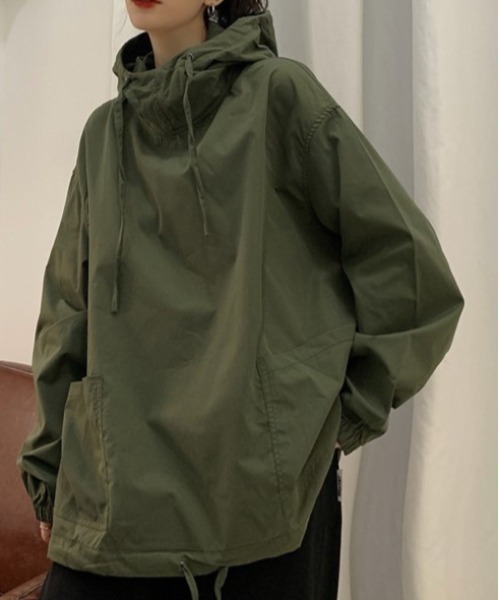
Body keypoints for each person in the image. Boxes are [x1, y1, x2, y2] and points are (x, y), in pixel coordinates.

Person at [17, 0, 464, 599]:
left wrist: (342, 414)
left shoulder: (280, 96)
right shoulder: (104, 135)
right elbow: (67, 314)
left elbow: (409, 268)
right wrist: (48, 468)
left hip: (257, 499)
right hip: (115, 497)